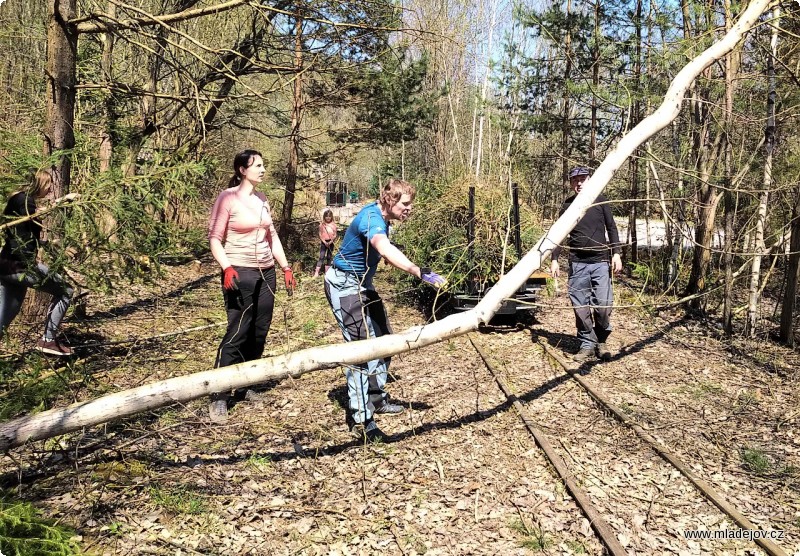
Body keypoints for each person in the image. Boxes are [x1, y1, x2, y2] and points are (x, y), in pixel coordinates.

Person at [324, 177, 445, 442]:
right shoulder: (372, 219)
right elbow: (382, 245)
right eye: (405, 204)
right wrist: (417, 270)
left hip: (363, 284)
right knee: (360, 351)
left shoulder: (383, 218)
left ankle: (376, 398)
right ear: (390, 200)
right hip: (344, 285)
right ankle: (361, 419)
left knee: (385, 339)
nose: (409, 208)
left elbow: (379, 249)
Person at [207, 149, 297, 423]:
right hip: (239, 273)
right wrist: (227, 267)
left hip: (266, 273)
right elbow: (214, 238)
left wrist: (285, 267)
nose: (263, 169)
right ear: (242, 170)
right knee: (238, 331)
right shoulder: (228, 198)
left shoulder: (262, 199)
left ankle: (245, 386)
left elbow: (272, 237)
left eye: (263, 164)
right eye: (257, 165)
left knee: (259, 331)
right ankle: (219, 395)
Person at [550, 166, 622, 362]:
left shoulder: (601, 200)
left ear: (590, 179)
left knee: (604, 306)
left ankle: (601, 341)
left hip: (600, 262)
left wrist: (616, 253)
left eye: (583, 178)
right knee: (580, 307)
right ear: (571, 183)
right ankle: (586, 344)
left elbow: (612, 228)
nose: (579, 183)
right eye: (575, 180)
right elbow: (560, 234)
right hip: (578, 263)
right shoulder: (567, 206)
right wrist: (554, 259)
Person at [0, 170, 75, 356]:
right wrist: (63, 200)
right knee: (66, 291)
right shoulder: (22, 199)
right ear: (39, 183)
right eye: (48, 184)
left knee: (6, 314)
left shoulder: (21, 201)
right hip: (19, 266)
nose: (50, 189)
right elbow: (36, 214)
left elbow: (22, 234)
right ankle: (48, 340)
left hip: (6, 265)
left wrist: (50, 245)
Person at [313, 209, 337, 277]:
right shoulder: (322, 225)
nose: (328, 217)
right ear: (324, 217)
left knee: (329, 257)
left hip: (331, 242)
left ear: (331, 217)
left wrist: (331, 241)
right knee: (321, 256)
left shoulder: (333, 225)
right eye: (326, 216)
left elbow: (335, 234)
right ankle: (317, 272)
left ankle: (327, 272)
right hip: (324, 242)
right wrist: (324, 241)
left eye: (329, 216)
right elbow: (320, 234)